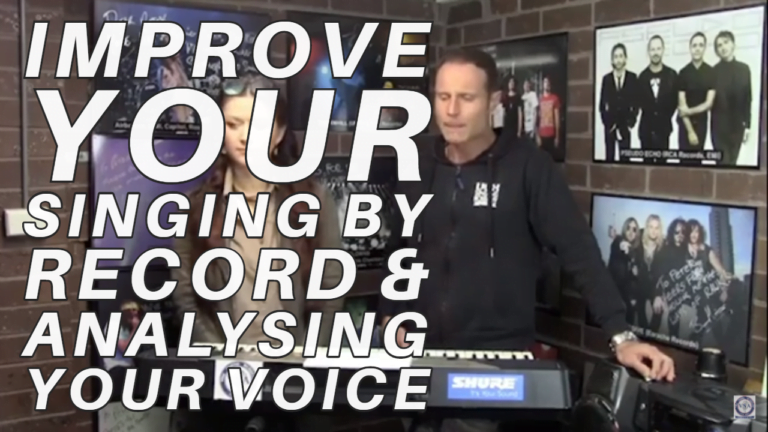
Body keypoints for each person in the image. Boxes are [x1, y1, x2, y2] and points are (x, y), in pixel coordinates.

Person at [379, 48, 676, 432]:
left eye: (466, 98)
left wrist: (620, 335)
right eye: (443, 96)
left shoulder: (528, 167)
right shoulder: (418, 164)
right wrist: (391, 312)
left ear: (493, 102)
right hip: (416, 356)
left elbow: (579, 250)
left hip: (489, 363)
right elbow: (399, 250)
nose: (451, 110)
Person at [170, 74, 343, 432]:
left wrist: (308, 357)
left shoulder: (311, 199)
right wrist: (223, 360)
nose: (245, 135)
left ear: (278, 134)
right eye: (233, 124)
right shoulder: (196, 208)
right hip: (223, 383)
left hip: (295, 376)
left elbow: (331, 287)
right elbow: (185, 296)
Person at [711, 30, 752, 166]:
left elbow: (748, 98)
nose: (723, 47)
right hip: (719, 128)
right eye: (719, 45)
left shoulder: (744, 69)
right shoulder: (713, 71)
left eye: (726, 42)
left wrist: (748, 125)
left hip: (737, 127)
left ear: (733, 44)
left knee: (732, 165)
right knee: (722, 164)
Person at [637, 35, 678, 163]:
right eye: (653, 49)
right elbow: (639, 103)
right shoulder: (641, 77)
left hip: (664, 131)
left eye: (658, 48)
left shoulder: (672, 75)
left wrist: (664, 116)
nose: (655, 52)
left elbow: (675, 102)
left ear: (663, 50)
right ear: (648, 52)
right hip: (645, 132)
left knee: (662, 169)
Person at [677, 32, 716, 165]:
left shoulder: (711, 72)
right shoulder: (683, 73)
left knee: (698, 163)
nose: (697, 49)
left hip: (701, 125)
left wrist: (689, 111)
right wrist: (690, 132)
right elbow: (682, 104)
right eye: (694, 45)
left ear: (704, 48)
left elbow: (709, 103)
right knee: (683, 164)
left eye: (700, 45)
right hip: (685, 126)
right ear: (690, 48)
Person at [599, 43, 639, 162]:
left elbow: (636, 104)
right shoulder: (606, 79)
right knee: (609, 159)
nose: (618, 60)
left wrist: (630, 123)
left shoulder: (632, 78)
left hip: (625, 127)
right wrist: (608, 124)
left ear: (625, 58)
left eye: (621, 56)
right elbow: (602, 105)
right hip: (610, 128)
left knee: (625, 160)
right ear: (612, 60)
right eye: (615, 57)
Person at [536, 76, 562, 159]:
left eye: (548, 82)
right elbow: (537, 118)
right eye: (545, 82)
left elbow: (557, 118)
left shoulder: (555, 99)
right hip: (542, 134)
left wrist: (557, 136)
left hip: (551, 134)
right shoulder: (540, 99)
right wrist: (537, 135)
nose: (546, 84)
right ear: (542, 85)